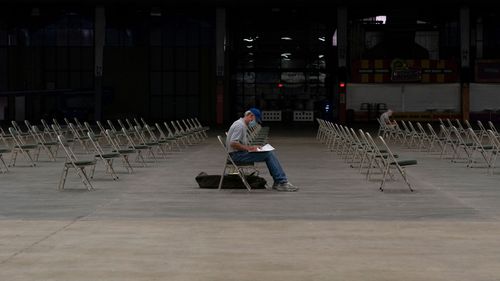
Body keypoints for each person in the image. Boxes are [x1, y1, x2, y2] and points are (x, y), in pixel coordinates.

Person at [226, 108, 298, 192]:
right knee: (268, 154)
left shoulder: (241, 124)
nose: (255, 123)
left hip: (238, 154)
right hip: (236, 156)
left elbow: (237, 143)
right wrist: (249, 148)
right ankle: (281, 182)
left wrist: (252, 147)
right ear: (251, 116)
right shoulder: (240, 126)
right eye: (256, 120)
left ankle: (280, 181)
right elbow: (233, 143)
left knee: (269, 153)